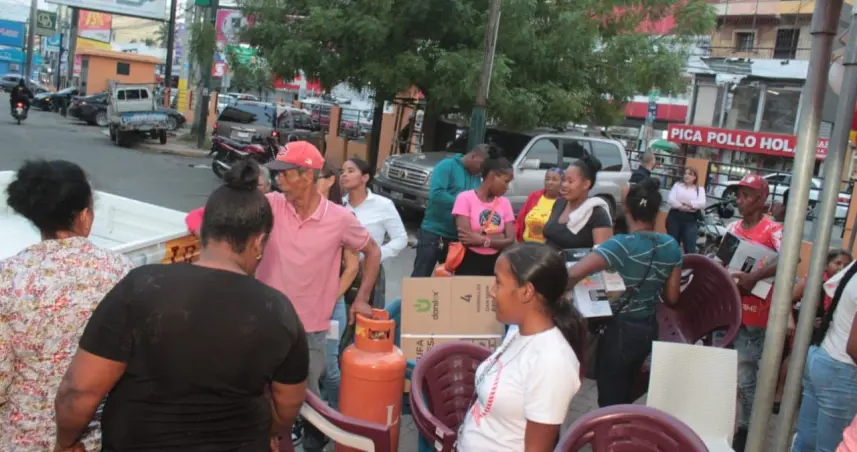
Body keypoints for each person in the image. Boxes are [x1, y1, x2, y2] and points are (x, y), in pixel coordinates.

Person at [54, 161, 308, 452]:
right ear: (259, 242)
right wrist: (272, 431)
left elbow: (80, 390)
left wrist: (65, 442)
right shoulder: (279, 311)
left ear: (204, 231)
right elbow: (287, 405)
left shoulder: (143, 286)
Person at [0, 160, 134, 451]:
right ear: (84, 216)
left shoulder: (8, 277)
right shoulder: (121, 271)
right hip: (97, 435)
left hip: (23, 437)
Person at [262, 142, 381, 452]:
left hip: (311, 329)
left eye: (285, 174)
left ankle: (314, 442)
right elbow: (226, 216)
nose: (278, 180)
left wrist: (362, 299)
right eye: (277, 174)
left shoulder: (339, 218)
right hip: (266, 325)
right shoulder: (271, 205)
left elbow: (372, 251)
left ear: (307, 176)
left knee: (309, 398)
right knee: (262, 396)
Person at [456, 243, 586, 451]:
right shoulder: (517, 331)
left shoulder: (552, 362)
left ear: (526, 292)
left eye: (498, 283)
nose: (491, 292)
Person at [566, 178, 683, 407]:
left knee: (610, 399)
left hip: (618, 331)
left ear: (627, 209)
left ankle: (610, 429)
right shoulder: (671, 246)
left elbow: (572, 275)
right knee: (629, 392)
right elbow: (672, 297)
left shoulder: (620, 245)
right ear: (657, 213)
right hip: (648, 329)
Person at [724, 174, 783, 452]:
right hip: (730, 311)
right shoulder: (733, 227)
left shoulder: (773, 230)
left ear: (761, 199)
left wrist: (754, 276)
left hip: (755, 314)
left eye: (746, 196)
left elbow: (790, 259)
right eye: (738, 195)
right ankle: (736, 423)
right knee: (733, 373)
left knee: (746, 374)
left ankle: (748, 428)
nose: (740, 200)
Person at [792, 258, 857, 452]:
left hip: (824, 356)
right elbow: (854, 347)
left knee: (806, 441)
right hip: (843, 369)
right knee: (831, 447)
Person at [412, 144, 488, 277]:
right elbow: (437, 194)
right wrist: (464, 204)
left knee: (448, 281)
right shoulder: (447, 166)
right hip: (434, 233)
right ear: (473, 156)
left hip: (457, 238)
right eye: (481, 166)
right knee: (421, 276)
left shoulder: (476, 176)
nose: (481, 170)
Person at [341, 156, 408, 306]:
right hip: (340, 270)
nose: (344, 175)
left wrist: (375, 255)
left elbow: (401, 238)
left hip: (368, 271)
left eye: (350, 171)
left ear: (364, 178)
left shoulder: (383, 205)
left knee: (365, 314)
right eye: (342, 171)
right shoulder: (338, 205)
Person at [452, 157, 516, 276]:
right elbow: (466, 239)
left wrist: (482, 240)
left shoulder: (505, 203)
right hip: (469, 262)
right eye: (506, 181)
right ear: (492, 177)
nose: (507, 187)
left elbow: (510, 240)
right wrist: (500, 236)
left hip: (496, 263)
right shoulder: (465, 198)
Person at [543, 155, 613, 250]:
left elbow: (603, 255)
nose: (564, 185)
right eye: (563, 180)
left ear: (586, 184)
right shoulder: (559, 203)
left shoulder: (597, 215)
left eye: (570, 181)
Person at [515, 167, 563, 243]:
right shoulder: (534, 196)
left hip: (547, 248)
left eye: (554, 180)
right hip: (526, 245)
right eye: (547, 179)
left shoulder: (563, 202)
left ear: (562, 183)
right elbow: (520, 219)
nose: (550, 182)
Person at [666, 167, 706, 254]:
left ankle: (688, 262)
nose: (686, 176)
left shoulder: (699, 189)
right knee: (672, 245)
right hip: (674, 217)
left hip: (690, 219)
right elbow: (670, 199)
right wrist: (681, 206)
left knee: (690, 247)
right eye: (685, 173)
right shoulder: (677, 185)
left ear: (695, 177)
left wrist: (689, 203)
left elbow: (702, 203)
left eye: (690, 174)